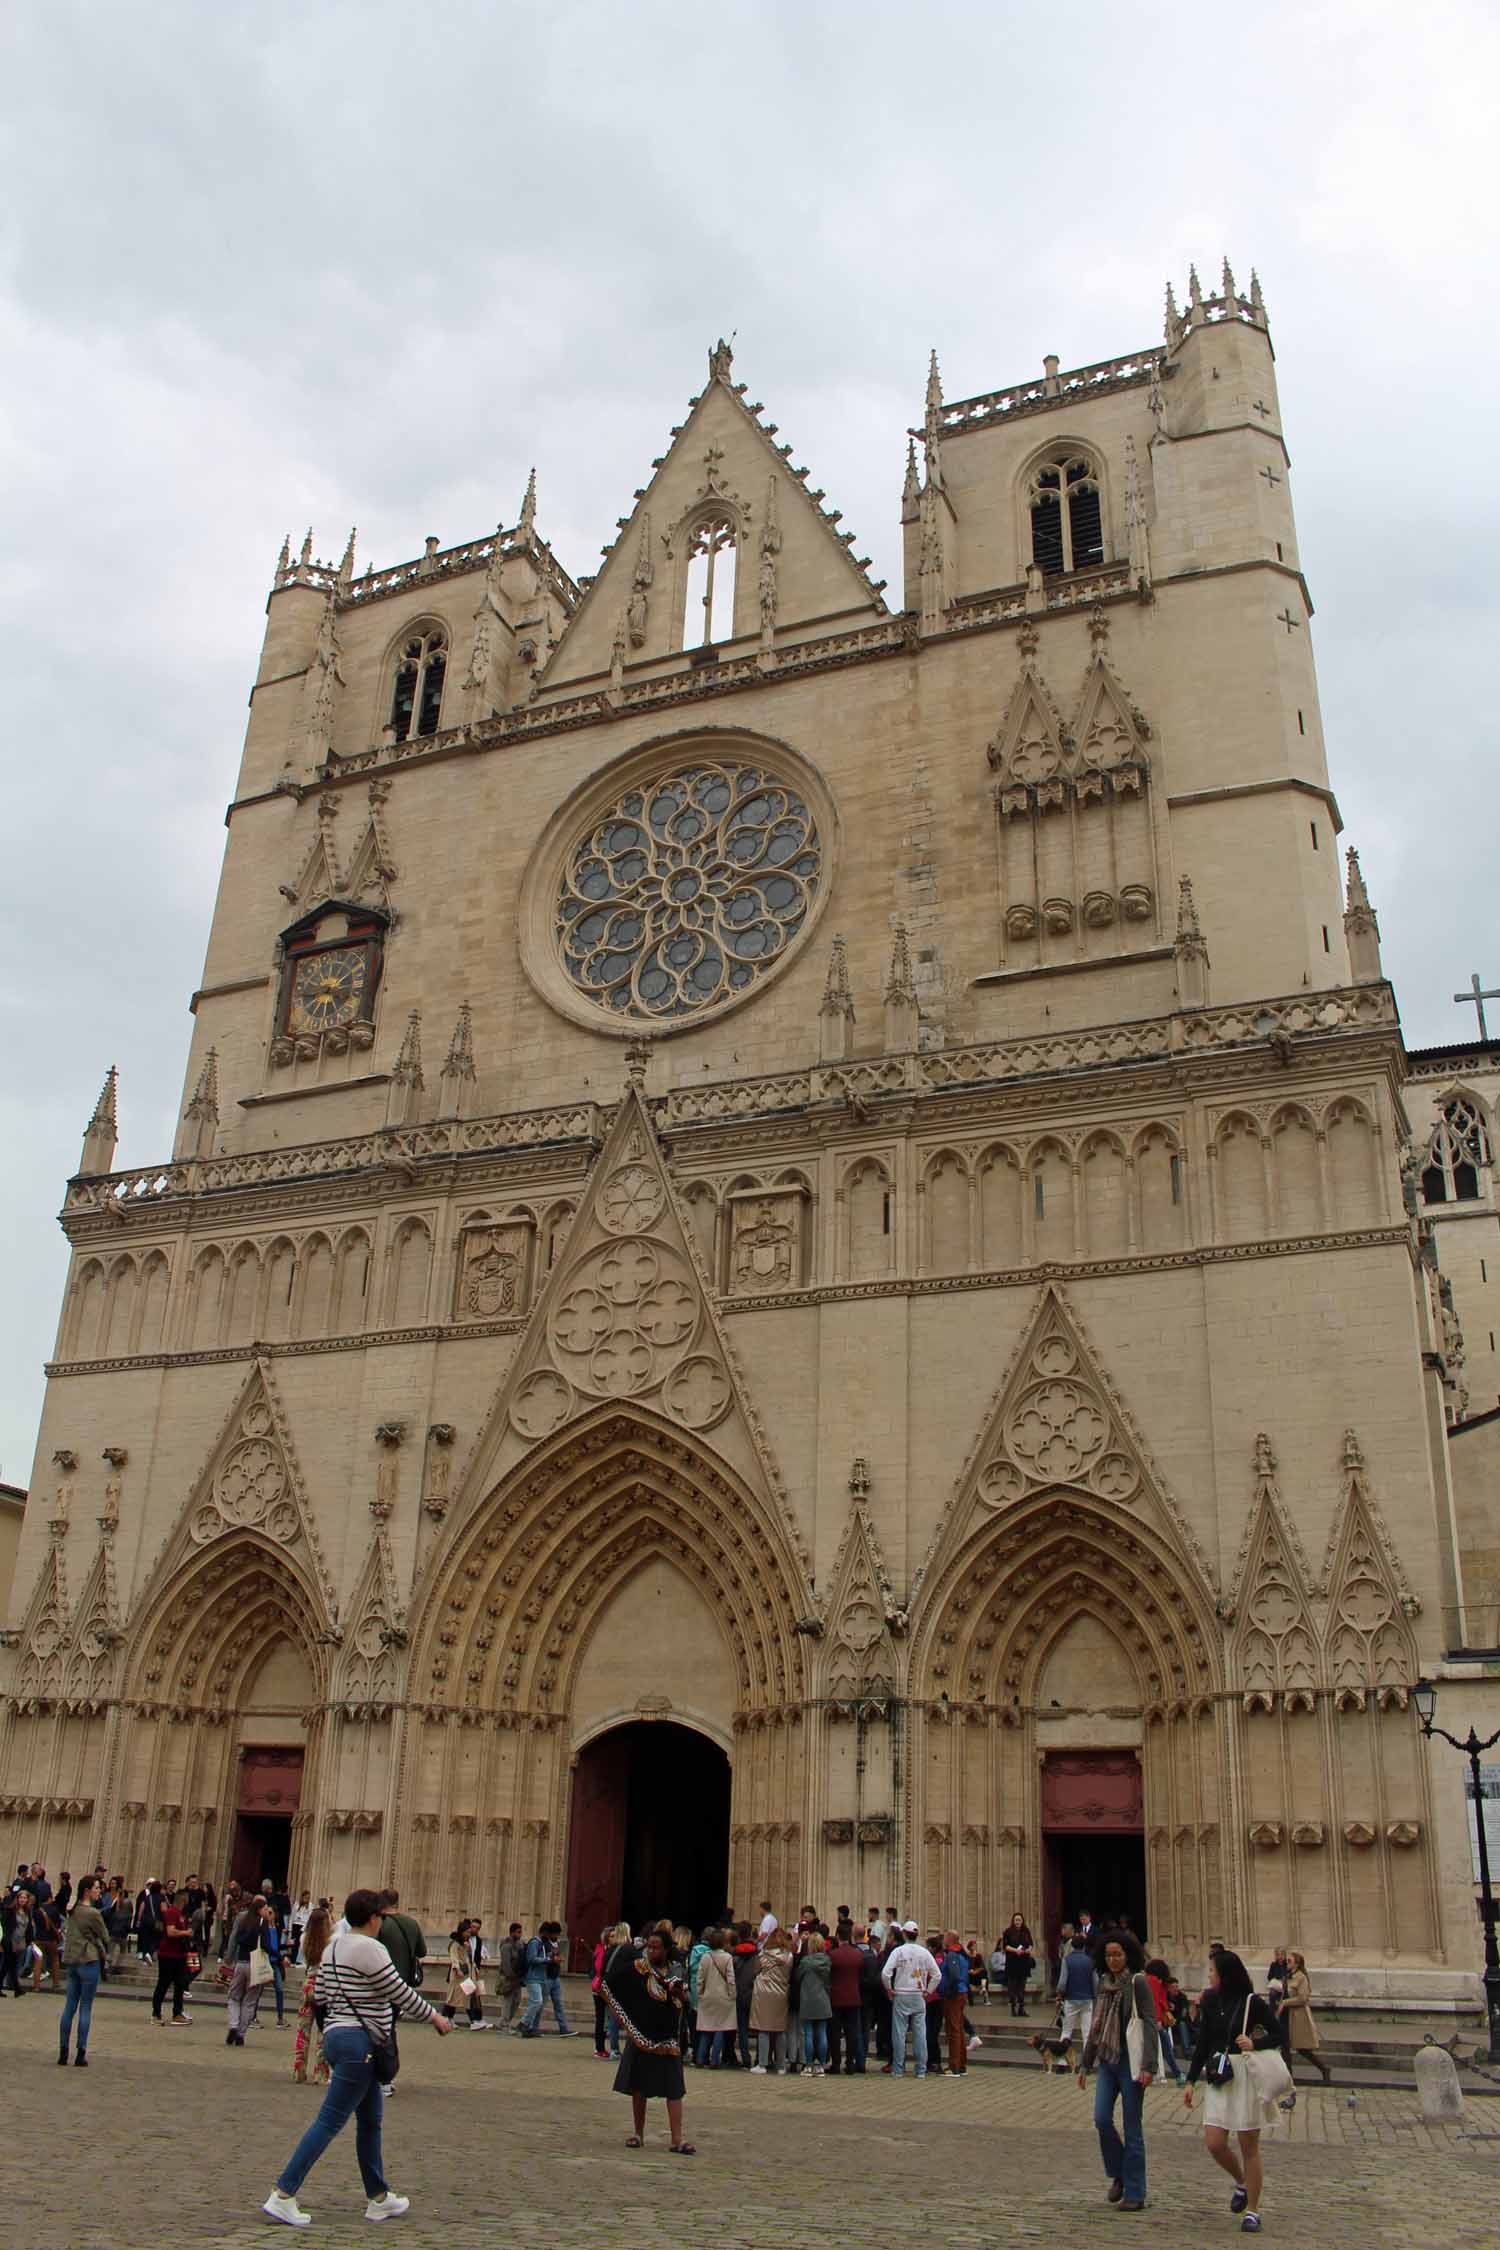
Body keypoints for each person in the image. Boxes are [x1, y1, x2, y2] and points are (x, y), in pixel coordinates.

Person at [262, 1886, 451, 2227]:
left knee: (370, 2121)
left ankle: (378, 2198)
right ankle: (283, 2193)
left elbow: (319, 1994)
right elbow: (399, 1992)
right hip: (359, 2044)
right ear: (373, 1917)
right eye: (381, 1916)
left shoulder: (333, 1947)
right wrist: (435, 2017)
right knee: (329, 2120)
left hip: (339, 2037)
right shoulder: (370, 1949)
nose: (382, 1922)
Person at [1185, 1947, 1279, 2235]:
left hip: (1244, 2075)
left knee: (1249, 2146)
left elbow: (1279, 2034)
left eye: (1212, 1971)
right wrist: (1190, 2080)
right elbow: (1202, 2042)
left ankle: (1252, 2210)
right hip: (1219, 2075)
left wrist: (1255, 2043)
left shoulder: (1252, 2001)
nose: (1209, 1975)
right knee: (1214, 2142)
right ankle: (1241, 2181)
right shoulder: (1211, 2001)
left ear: (1225, 1974)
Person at [1080, 1929, 1159, 2214]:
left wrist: (1148, 2067)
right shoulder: (1104, 1983)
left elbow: (1150, 2023)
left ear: (1128, 1956)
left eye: (1118, 1954)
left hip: (1130, 2063)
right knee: (1101, 2118)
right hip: (1107, 2060)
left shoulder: (1138, 1983)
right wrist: (1085, 2062)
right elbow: (1097, 2025)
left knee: (1132, 2127)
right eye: (1109, 1955)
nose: (1113, 1959)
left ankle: (1135, 2192)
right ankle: (1119, 2173)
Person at [603, 1927, 695, 2154]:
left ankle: (676, 2139)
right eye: (649, 1947)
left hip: (667, 2034)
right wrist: (626, 2016)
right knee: (639, 2085)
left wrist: (677, 1993)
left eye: (656, 1947)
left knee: (674, 2088)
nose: (652, 1951)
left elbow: (685, 2000)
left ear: (666, 1950)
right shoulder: (639, 1969)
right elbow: (613, 1982)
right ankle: (638, 2133)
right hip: (641, 2033)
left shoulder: (676, 1970)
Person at [58, 1874, 109, 2066]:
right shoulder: (93, 1913)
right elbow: (105, 1935)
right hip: (88, 1960)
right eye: (97, 1888)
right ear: (87, 1890)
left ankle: (63, 2051)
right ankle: (81, 2052)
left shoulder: (72, 1910)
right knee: (86, 2007)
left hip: (72, 1960)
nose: (99, 1891)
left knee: (69, 2006)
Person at [881, 1921, 939, 2078]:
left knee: (899, 2033)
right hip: (918, 1995)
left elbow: (886, 1973)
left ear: (904, 1934)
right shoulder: (924, 1952)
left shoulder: (898, 1952)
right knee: (920, 2032)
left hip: (901, 1994)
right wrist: (928, 1991)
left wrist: (889, 1989)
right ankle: (920, 2069)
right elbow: (937, 1975)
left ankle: (898, 2068)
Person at [1279, 1951, 1331, 2089]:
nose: (1287, 1963)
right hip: (1285, 2015)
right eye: (1287, 1961)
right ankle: (1288, 2078)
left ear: (1297, 1963)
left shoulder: (1301, 1977)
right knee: (1284, 2047)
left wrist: (1286, 2002)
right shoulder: (1287, 1976)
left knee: (1301, 2048)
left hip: (1297, 2016)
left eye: (1289, 1961)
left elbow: (1303, 1998)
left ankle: (1323, 2068)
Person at [293, 1905, 332, 2086]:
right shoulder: (330, 1942)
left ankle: (299, 2070)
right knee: (323, 2031)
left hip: (308, 1983)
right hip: (324, 1984)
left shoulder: (304, 1938)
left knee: (303, 2030)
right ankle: (320, 2073)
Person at [749, 1923, 792, 2072]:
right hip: (781, 1992)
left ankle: (762, 2064)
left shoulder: (763, 1954)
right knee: (780, 2030)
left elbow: (755, 1970)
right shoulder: (789, 1956)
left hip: (763, 1992)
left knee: (764, 2029)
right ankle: (781, 2066)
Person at [693, 1926, 737, 2067]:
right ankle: (715, 2060)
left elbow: (700, 1978)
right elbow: (730, 1979)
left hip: (708, 1996)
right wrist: (732, 1994)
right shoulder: (727, 1957)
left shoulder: (705, 1957)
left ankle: (700, 2059)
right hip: (724, 1997)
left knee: (706, 2028)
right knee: (720, 2028)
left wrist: (700, 1994)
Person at [519, 1920, 572, 2036]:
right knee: (538, 2002)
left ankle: (562, 2028)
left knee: (549, 2003)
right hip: (537, 1977)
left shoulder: (545, 1943)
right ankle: (527, 2024)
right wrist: (550, 1960)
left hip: (545, 1976)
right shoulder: (536, 1942)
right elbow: (532, 1959)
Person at [151, 1887, 195, 2026]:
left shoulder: (181, 1914)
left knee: (180, 1984)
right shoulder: (172, 1912)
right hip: (168, 1954)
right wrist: (186, 1933)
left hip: (180, 1954)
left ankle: (177, 2013)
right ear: (182, 1898)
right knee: (163, 1984)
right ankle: (156, 2014)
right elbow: (170, 1932)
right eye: (186, 1898)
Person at [828, 1923, 867, 2074]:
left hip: (836, 1998)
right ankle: (850, 2063)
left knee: (835, 2033)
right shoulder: (858, 1954)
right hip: (853, 1997)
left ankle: (836, 2064)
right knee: (852, 2033)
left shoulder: (833, 1955)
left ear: (837, 1936)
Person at [796, 1930, 833, 2073]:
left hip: (807, 1999)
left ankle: (809, 2064)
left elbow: (798, 1977)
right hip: (823, 1998)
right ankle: (821, 2065)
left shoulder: (805, 1962)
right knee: (822, 2032)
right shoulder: (827, 1961)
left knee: (808, 2033)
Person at [1057, 1926, 1097, 2047]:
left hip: (1071, 1998)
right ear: (1084, 1946)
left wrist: (1059, 1994)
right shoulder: (1090, 1961)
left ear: (1072, 1946)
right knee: (1086, 2032)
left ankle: (1062, 2060)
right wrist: (1094, 1996)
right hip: (1087, 1999)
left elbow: (1062, 1982)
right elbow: (1095, 1981)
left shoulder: (1067, 1960)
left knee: (1066, 2030)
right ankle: (1086, 2060)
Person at [592, 1923, 628, 2058]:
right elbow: (597, 1969)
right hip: (600, 1988)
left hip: (610, 1988)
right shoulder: (602, 1950)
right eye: (611, 1936)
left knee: (613, 2018)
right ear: (606, 1938)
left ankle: (612, 2046)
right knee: (601, 2018)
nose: (614, 1938)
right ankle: (599, 2048)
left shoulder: (616, 1950)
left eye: (615, 1935)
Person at [938, 1929, 970, 2075]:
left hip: (954, 1996)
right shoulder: (961, 1954)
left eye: (945, 1937)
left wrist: (947, 1991)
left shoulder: (952, 1955)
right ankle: (961, 2065)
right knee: (959, 2030)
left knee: (954, 2030)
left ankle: (954, 2066)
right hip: (961, 1993)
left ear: (950, 1939)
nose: (943, 1940)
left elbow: (954, 1975)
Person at [442, 1919, 485, 2026]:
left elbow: (469, 1960)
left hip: (467, 1975)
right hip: (458, 1976)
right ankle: (446, 2017)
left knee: (469, 1996)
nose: (469, 1934)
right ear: (463, 1931)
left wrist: (475, 1968)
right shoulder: (455, 1944)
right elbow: (454, 1958)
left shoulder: (466, 1944)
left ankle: (474, 2020)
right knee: (453, 1998)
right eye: (468, 1932)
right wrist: (457, 1969)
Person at [1001, 1911, 1034, 2017]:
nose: (1018, 1922)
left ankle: (1021, 2008)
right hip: (1012, 1962)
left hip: (1023, 1962)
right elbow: (1005, 1946)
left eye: (1019, 1920)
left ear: (1022, 1921)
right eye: (1016, 1920)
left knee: (1022, 1986)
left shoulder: (1026, 1931)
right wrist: (1015, 1950)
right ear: (1013, 1921)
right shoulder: (1008, 1931)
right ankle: (1013, 2008)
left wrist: (1029, 1949)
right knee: (1012, 1985)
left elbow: (1031, 1944)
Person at [1, 1886, 33, 1997]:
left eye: (25, 1898)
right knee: (12, 1965)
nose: (23, 1900)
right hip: (10, 1941)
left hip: (21, 1941)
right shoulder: (10, 1910)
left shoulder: (27, 1912)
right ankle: (17, 1989)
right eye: (21, 1898)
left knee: (7, 1965)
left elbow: (28, 1927)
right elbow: (4, 1926)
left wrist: (29, 1940)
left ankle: (15, 1988)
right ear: (17, 1899)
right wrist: (5, 1940)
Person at [496, 1921, 526, 2029]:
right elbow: (506, 1964)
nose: (520, 1934)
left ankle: (506, 2021)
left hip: (517, 1978)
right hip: (508, 1978)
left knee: (517, 2001)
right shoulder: (506, 1946)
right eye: (518, 1932)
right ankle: (504, 2023)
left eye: (521, 1932)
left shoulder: (519, 1944)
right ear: (512, 1932)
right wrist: (511, 1976)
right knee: (508, 2001)